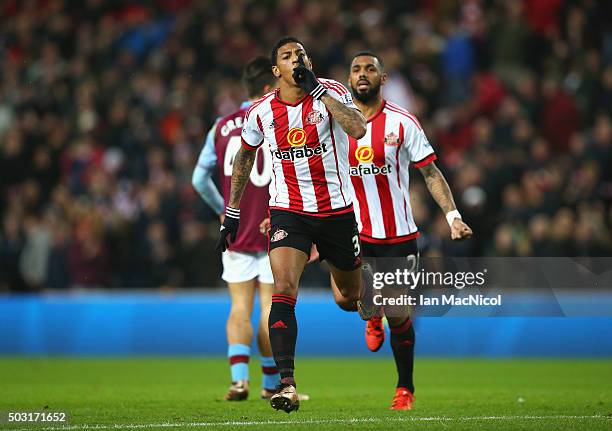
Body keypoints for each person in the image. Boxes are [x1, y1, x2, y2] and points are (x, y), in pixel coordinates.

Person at [216, 36, 367, 413]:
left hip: (336, 213)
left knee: (348, 299)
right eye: (287, 56)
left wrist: (318, 90)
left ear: (308, 62)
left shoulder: (330, 90)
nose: (295, 59)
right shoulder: (262, 111)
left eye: (300, 54)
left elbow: (358, 128)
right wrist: (233, 210)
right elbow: (244, 158)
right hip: (289, 212)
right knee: (283, 288)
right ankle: (286, 385)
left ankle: (367, 297)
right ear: (275, 71)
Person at [333, 52, 473, 410]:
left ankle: (404, 389)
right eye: (356, 69)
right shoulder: (333, 123)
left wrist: (453, 214)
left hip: (398, 234)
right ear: (348, 80)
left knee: (399, 314)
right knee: (346, 299)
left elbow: (430, 172)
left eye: (370, 69)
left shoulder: (402, 122)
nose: (362, 74)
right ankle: (370, 311)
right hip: (352, 230)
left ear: (383, 79)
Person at [192, 57, 281, 401]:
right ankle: (272, 384)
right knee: (273, 307)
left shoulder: (221, 126)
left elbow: (198, 179)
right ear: (265, 89)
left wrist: (222, 211)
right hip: (275, 227)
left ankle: (238, 379)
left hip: (237, 231)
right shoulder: (276, 120)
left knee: (239, 307)